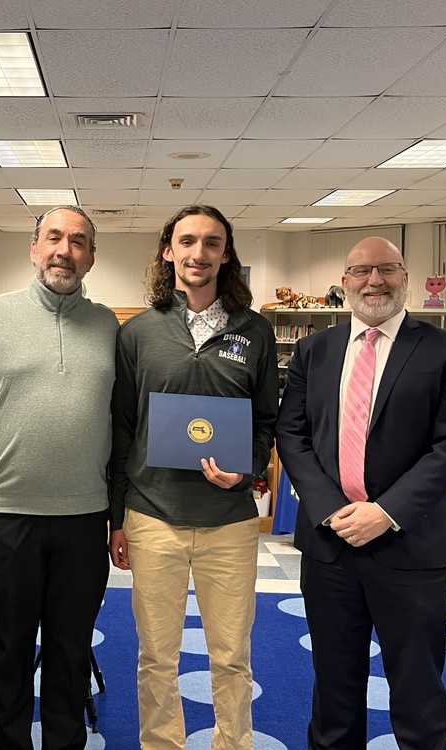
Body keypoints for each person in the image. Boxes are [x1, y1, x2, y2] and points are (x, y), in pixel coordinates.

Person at [276, 237, 446, 750]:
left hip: (409, 549)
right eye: (362, 271)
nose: (375, 280)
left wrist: (385, 513)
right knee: (334, 689)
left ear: (406, 276)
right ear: (344, 282)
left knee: (417, 692)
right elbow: (292, 436)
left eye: (387, 269)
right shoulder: (312, 350)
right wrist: (330, 509)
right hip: (330, 547)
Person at [108, 205, 278, 750]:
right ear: (168, 250)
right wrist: (117, 518)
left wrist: (248, 470)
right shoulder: (137, 332)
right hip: (153, 514)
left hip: (228, 521)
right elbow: (122, 427)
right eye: (187, 241)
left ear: (226, 254)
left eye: (211, 243)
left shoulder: (255, 332)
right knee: (157, 654)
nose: (198, 253)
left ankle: (233, 743)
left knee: (231, 655)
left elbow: (266, 419)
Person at [0, 205, 118, 750]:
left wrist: (120, 514)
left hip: (85, 519)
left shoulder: (108, 325)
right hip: (7, 518)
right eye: (53, 238)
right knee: (7, 652)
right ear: (33, 247)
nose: (64, 250)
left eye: (77, 241)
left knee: (70, 653)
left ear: (91, 256)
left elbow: (122, 423)